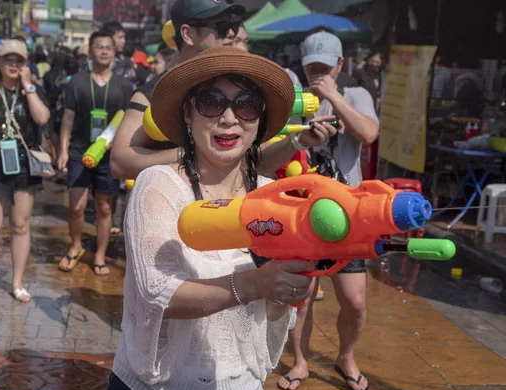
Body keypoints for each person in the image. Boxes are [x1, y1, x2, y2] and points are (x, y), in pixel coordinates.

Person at [100, 46, 315, 390]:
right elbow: (157, 292)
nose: (229, 118)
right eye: (212, 102)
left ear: (261, 120)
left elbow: (272, 312)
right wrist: (258, 283)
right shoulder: (159, 185)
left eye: (246, 105)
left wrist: (291, 286)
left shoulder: (274, 198)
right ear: (188, 114)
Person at [111, 0, 336, 182]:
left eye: (232, 25)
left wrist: (299, 140)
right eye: (220, 27)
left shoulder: (241, 87)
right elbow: (119, 162)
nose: (231, 33)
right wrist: (194, 154)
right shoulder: (152, 93)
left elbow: (259, 160)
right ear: (188, 34)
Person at [277, 30, 379, 390]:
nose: (319, 73)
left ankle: (346, 357)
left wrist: (334, 96)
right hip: (301, 211)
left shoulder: (355, 94)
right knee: (301, 297)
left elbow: (368, 133)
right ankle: (300, 361)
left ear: (340, 64)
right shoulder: (297, 99)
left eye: (326, 66)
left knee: (354, 299)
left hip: (347, 213)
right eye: (312, 66)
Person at [0, 40, 50, 303]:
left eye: (19, 60)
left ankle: (16, 281)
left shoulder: (33, 90)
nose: (14, 64)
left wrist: (29, 88)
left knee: (20, 224)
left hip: (24, 162)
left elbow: (42, 118)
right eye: (8, 59)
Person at [57, 31, 133, 276]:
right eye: (99, 46)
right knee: (76, 206)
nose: (103, 51)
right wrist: (63, 150)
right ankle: (75, 245)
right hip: (80, 150)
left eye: (108, 47)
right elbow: (67, 119)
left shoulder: (123, 85)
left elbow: (129, 121)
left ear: (114, 52)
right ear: (90, 50)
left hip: (108, 153)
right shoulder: (77, 81)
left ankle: (100, 255)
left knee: (104, 207)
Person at [101, 21, 137, 86]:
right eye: (120, 37)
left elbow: (131, 88)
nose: (124, 41)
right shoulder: (91, 62)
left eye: (124, 37)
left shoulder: (126, 65)